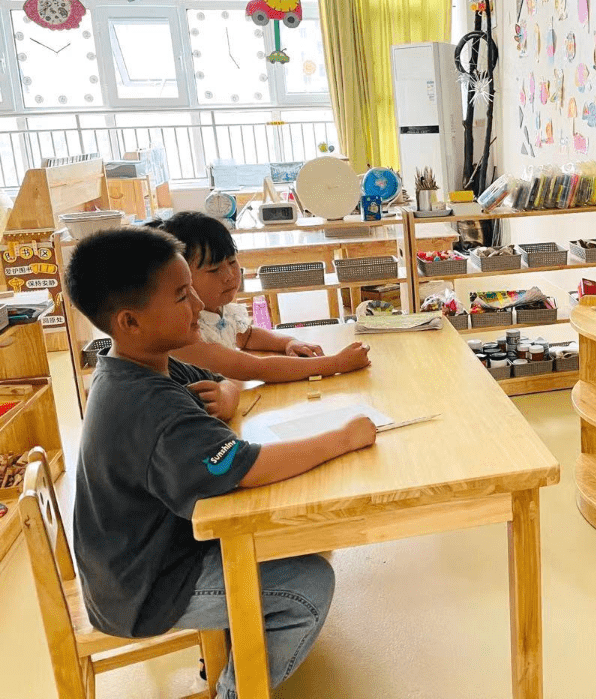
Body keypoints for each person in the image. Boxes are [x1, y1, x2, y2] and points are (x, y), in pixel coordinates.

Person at [65, 227, 377, 698]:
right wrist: (344, 437)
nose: (197, 305)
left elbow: (220, 380)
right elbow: (245, 467)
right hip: (145, 589)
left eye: (191, 288)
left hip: (145, 558)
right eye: (180, 296)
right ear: (129, 321)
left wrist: (228, 396)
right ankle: (235, 692)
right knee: (306, 586)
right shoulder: (149, 406)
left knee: (290, 540)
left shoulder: (140, 364)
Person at [153, 211, 370, 382]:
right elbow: (254, 368)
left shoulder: (220, 308)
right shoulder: (183, 331)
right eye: (213, 270)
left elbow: (246, 336)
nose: (229, 276)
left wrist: (288, 342)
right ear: (181, 277)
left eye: (232, 262)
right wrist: (336, 364)